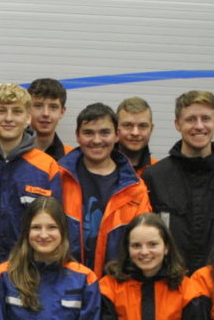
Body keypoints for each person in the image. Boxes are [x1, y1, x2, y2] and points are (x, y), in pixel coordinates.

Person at [0, 83, 78, 266]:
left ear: (28, 118)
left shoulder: (46, 166)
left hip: (27, 274)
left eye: (17, 112)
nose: (9, 118)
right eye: (1, 111)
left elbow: (56, 228)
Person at [143, 90, 214, 271]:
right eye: (191, 119)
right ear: (177, 124)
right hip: (168, 286)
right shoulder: (154, 178)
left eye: (206, 119)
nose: (199, 126)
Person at [57, 102, 150, 270]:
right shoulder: (58, 178)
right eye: (88, 133)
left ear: (117, 135)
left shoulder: (135, 189)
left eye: (105, 132)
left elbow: (142, 244)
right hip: (66, 284)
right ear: (77, 136)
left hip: (116, 286)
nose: (96, 140)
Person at [27, 77, 68, 159]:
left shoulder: (70, 159)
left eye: (53, 107)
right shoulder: (9, 153)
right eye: (38, 106)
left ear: (62, 112)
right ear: (27, 109)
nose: (46, 113)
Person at [116, 96, 156, 173]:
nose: (135, 133)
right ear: (116, 128)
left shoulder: (159, 171)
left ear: (151, 129)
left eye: (142, 126)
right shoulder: (100, 168)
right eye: (127, 125)